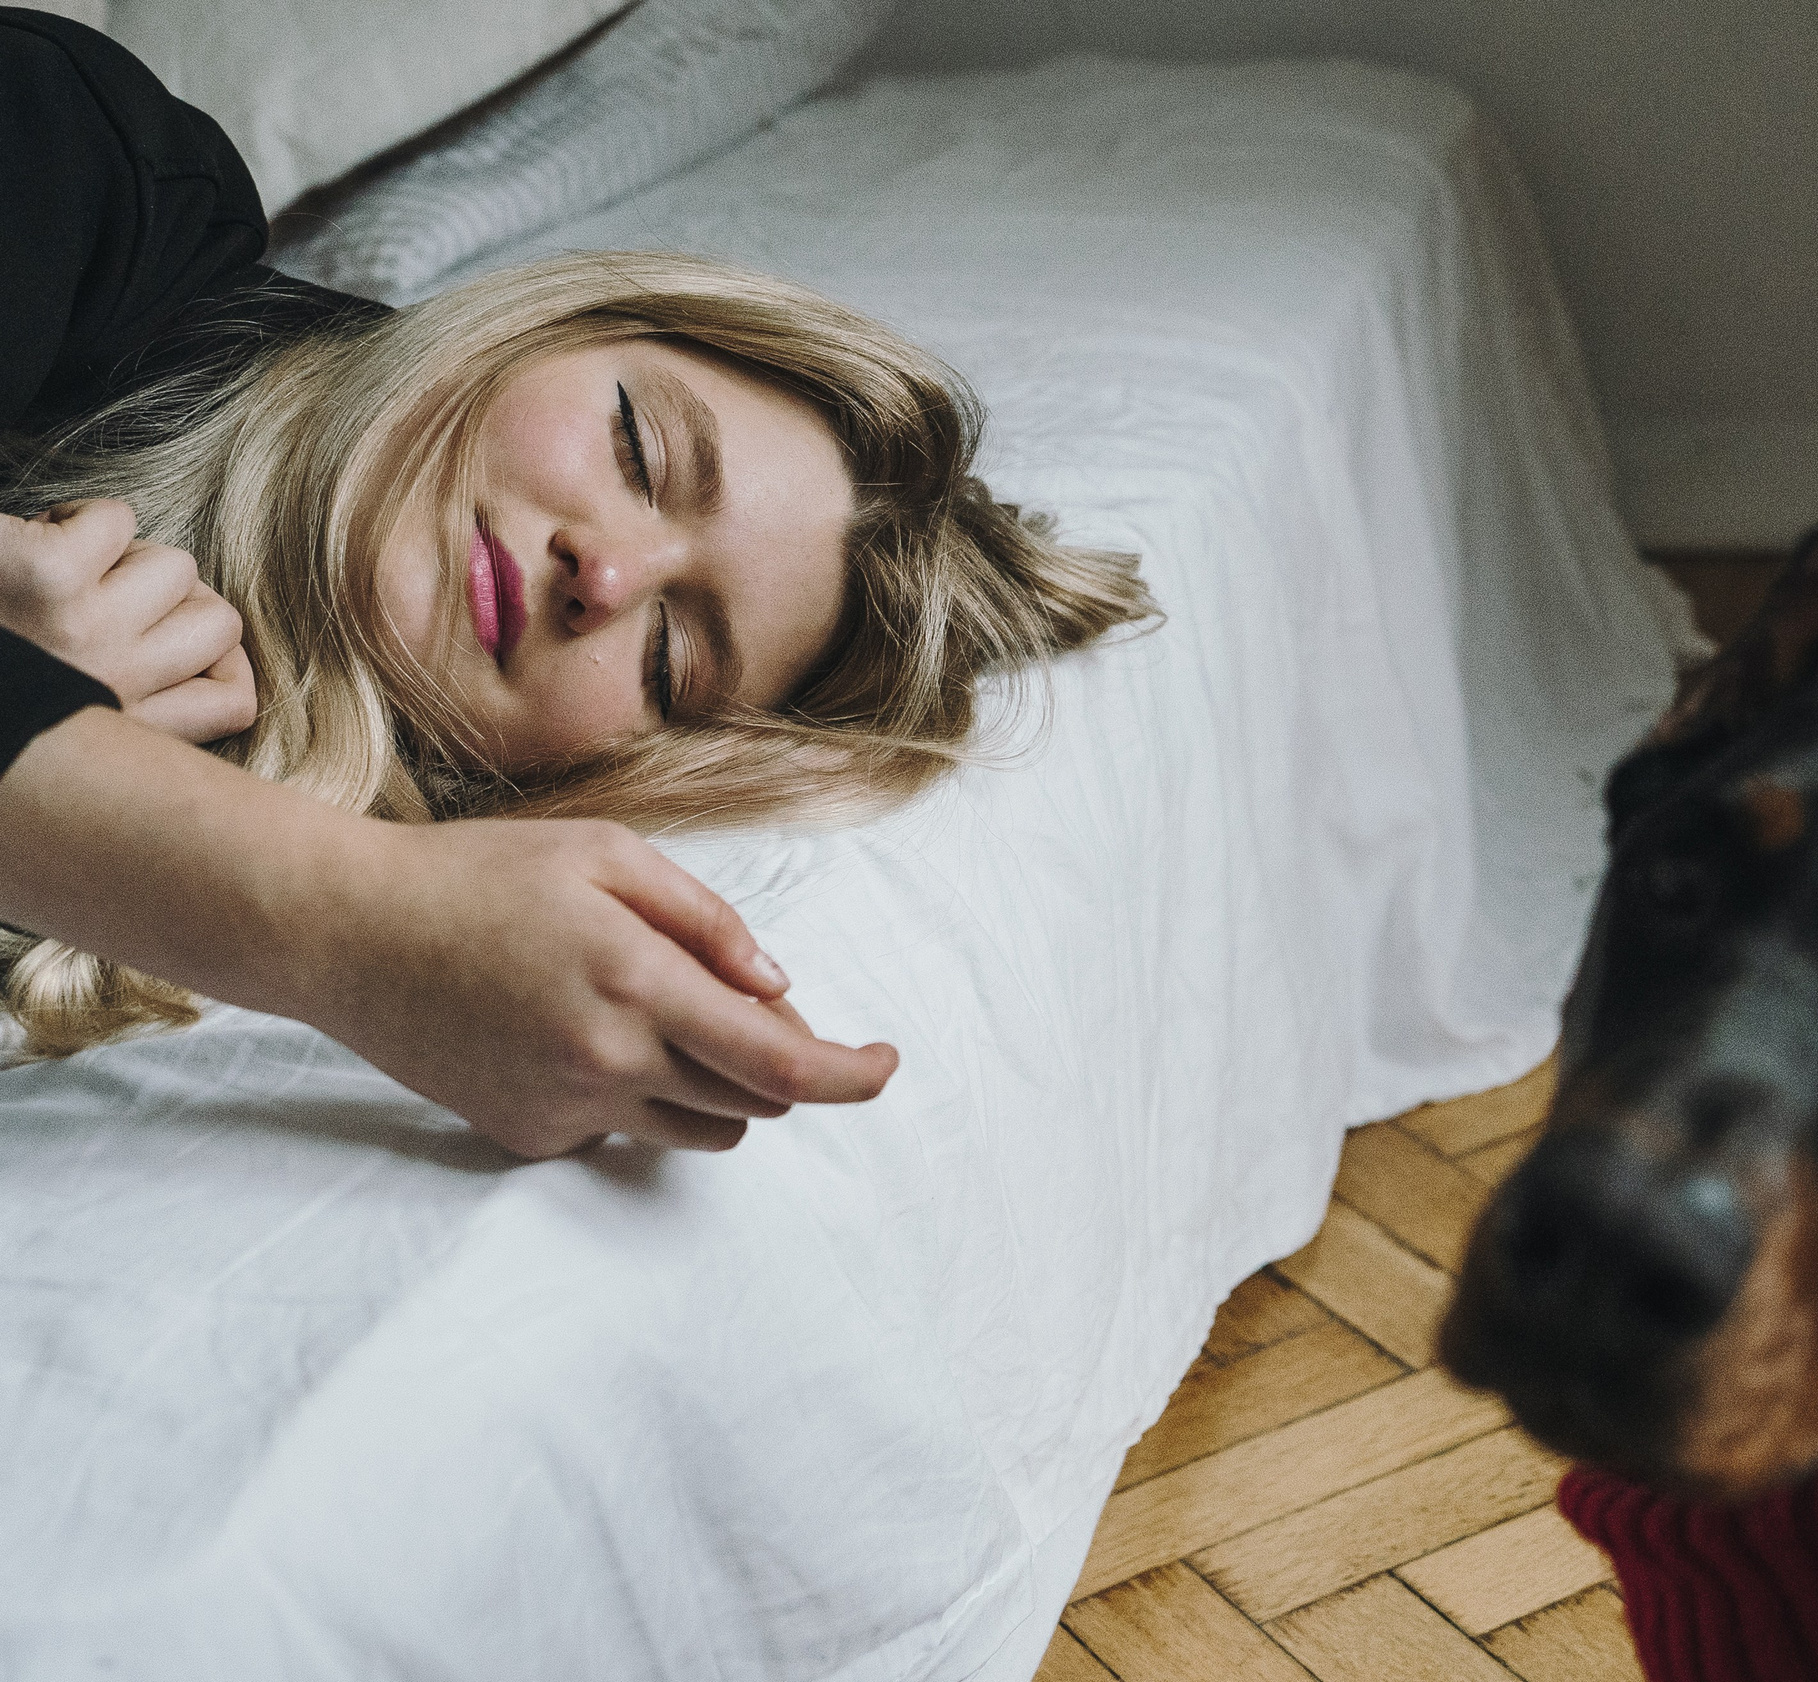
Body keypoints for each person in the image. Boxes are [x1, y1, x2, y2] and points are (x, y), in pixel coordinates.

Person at [0, 9, 1155, 1154]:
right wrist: (358, 922)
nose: (604, 574)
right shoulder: (74, 147)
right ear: (551, 325)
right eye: (640, 452)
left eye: (668, 656)